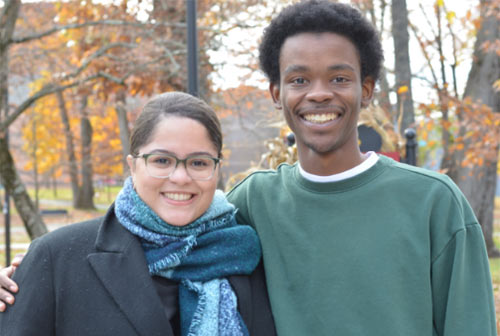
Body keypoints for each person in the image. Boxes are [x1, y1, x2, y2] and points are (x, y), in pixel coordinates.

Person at [0, 1, 496, 335]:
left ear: (366, 89)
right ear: (277, 94)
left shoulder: (434, 202)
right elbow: (162, 236)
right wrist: (24, 278)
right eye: (299, 78)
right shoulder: (253, 201)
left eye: (339, 77)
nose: (319, 93)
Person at [0, 92, 276, 335]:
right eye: (161, 160)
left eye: (199, 162)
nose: (180, 177)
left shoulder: (247, 257)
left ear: (217, 169)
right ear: (133, 166)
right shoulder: (56, 259)